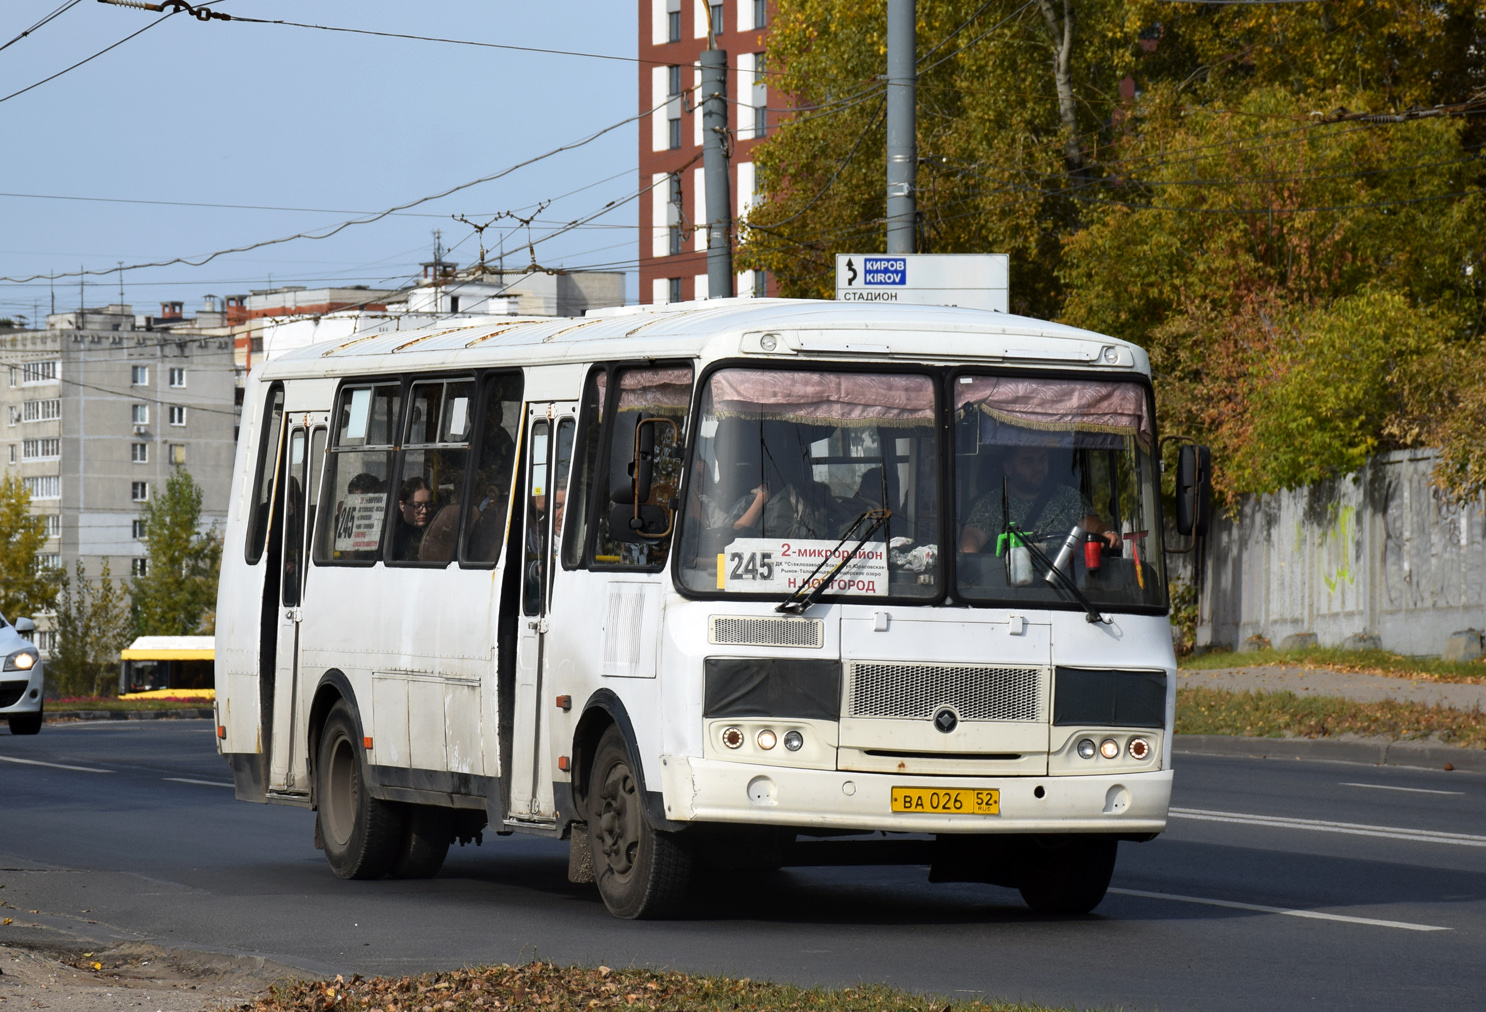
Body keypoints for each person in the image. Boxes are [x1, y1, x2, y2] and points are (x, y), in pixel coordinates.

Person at [959, 445, 1118, 553]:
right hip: (1007, 588)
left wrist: (1106, 534)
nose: (1038, 467)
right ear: (1009, 468)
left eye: (1042, 459)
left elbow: (1093, 526)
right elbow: (971, 539)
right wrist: (972, 563)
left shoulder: (1068, 498)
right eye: (1028, 461)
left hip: (1065, 588)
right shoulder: (991, 503)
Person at [392, 476, 434, 561]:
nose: (424, 511)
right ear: (402, 506)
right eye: (417, 506)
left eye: (428, 505)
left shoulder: (436, 532)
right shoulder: (395, 539)